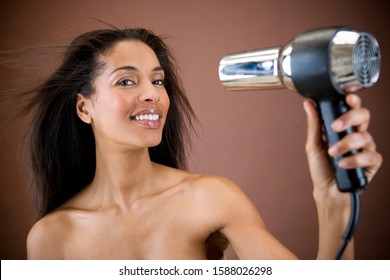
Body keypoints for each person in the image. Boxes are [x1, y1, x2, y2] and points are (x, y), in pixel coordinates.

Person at [5, 28, 381, 259]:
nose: (152, 94)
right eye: (126, 81)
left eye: (158, 80)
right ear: (84, 107)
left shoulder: (210, 199)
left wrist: (333, 202)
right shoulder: (52, 238)